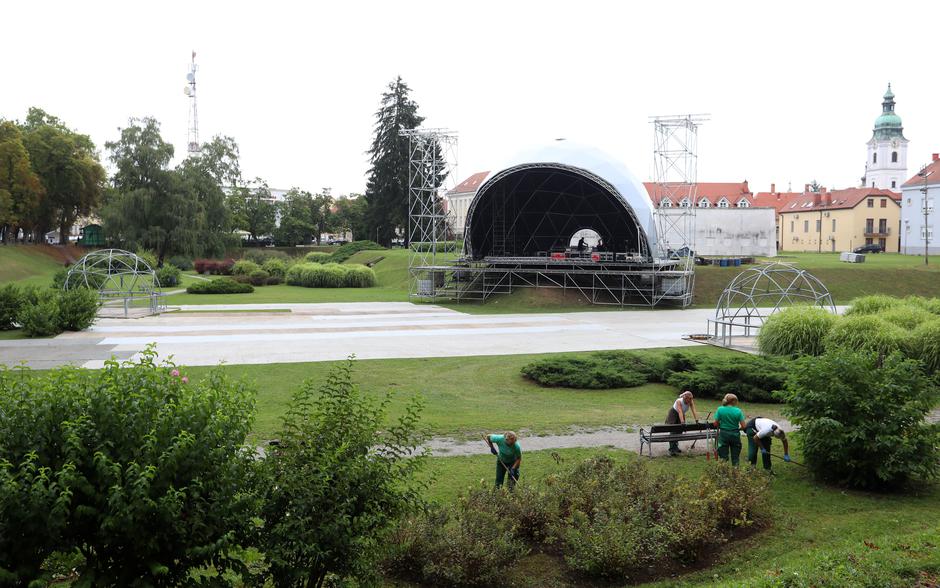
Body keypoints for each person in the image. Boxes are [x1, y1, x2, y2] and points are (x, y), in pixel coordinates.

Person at [712, 393, 746, 466]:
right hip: (735, 434)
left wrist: (721, 424)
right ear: (734, 401)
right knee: (735, 456)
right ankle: (735, 473)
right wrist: (738, 429)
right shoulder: (738, 411)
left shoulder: (720, 409)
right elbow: (744, 426)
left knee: (723, 456)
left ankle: (724, 472)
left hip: (724, 434)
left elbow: (715, 423)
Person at [665, 390, 699, 456]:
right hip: (673, 414)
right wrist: (682, 422)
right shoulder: (679, 401)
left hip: (681, 414)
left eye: (691, 399)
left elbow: (694, 410)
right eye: (689, 399)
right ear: (685, 398)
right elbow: (680, 411)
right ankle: (671, 449)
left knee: (679, 431)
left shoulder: (690, 401)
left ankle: (676, 447)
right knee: (673, 431)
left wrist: (696, 419)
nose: (690, 401)